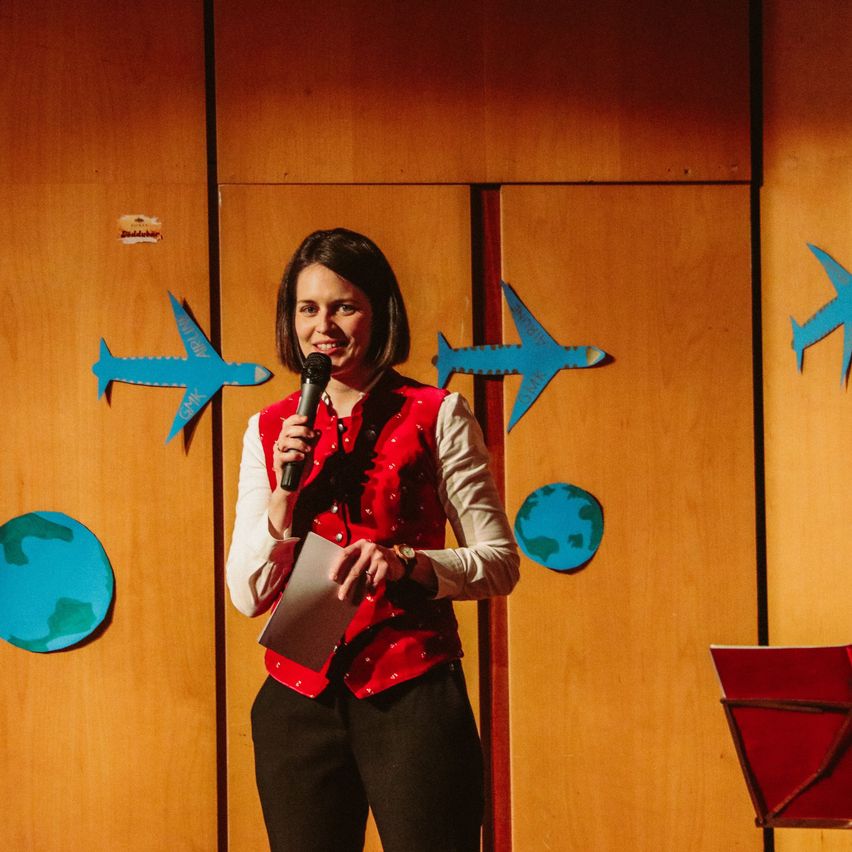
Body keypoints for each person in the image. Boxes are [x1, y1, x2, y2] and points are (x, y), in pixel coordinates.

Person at [226, 227, 520, 852]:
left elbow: (499, 563)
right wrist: (284, 497)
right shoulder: (267, 427)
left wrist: (407, 561)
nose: (323, 326)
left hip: (410, 690)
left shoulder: (437, 412)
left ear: (378, 312)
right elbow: (247, 593)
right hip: (296, 699)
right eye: (308, 308)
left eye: (343, 306)